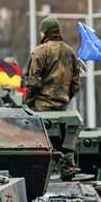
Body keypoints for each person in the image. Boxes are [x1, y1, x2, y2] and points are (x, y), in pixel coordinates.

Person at [26, 16, 81, 179]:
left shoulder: (40, 51)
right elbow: (76, 84)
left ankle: (37, 173)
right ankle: (67, 170)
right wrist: (64, 97)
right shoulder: (70, 52)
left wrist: (28, 103)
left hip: (41, 107)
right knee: (65, 142)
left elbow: (33, 82)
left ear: (44, 32)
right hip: (62, 107)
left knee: (38, 143)